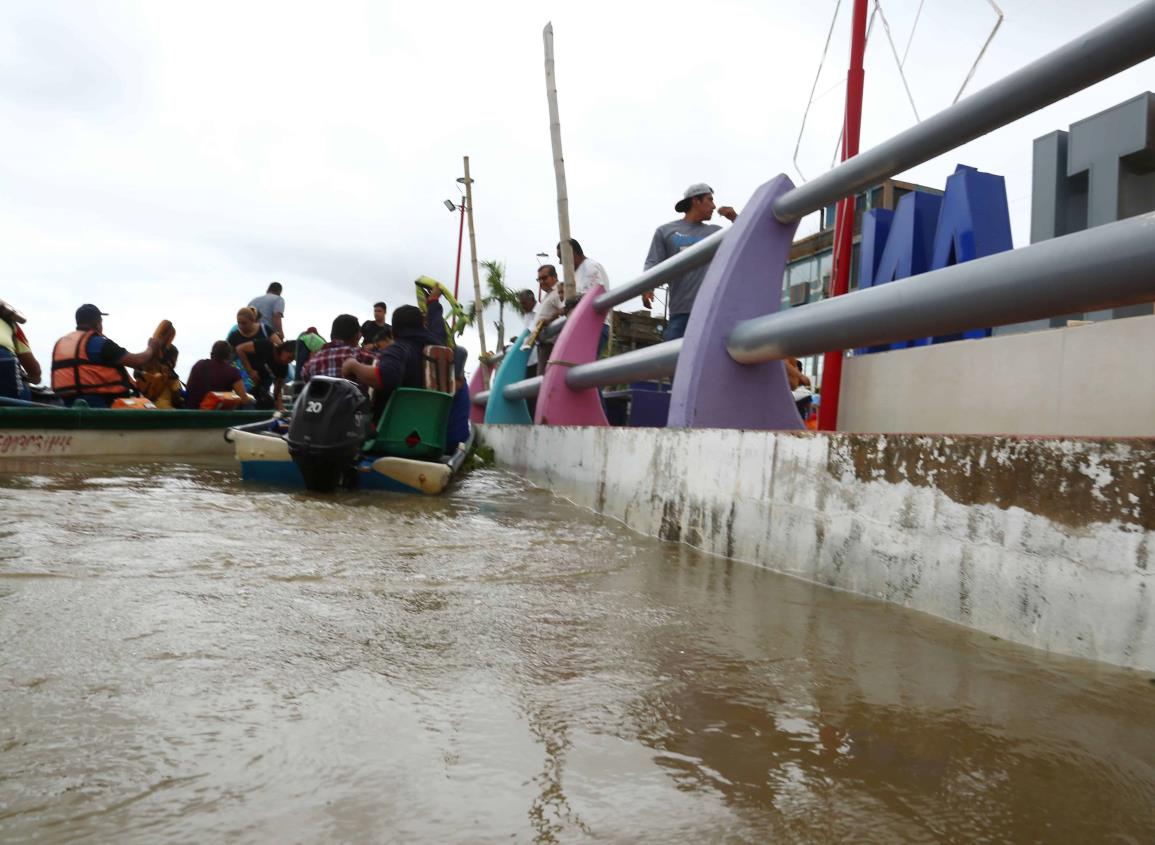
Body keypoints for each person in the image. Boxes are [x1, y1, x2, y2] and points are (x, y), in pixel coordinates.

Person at [644, 182, 738, 340]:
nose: (714, 206)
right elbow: (653, 262)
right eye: (710, 200)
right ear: (696, 201)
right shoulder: (666, 231)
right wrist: (647, 288)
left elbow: (749, 238)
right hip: (680, 313)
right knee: (672, 362)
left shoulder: (717, 233)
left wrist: (735, 218)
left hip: (712, 312)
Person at [342, 291, 447, 421]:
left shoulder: (399, 349)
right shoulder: (438, 344)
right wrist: (433, 302)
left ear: (394, 330)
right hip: (430, 424)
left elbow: (386, 377)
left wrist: (354, 366)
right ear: (422, 325)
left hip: (396, 427)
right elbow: (438, 326)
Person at [51, 304, 158, 407]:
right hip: (101, 404)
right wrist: (151, 348)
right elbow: (138, 361)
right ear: (98, 322)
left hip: (66, 403)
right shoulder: (99, 343)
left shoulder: (60, 343)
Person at [557, 238, 610, 356]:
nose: (560, 262)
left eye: (561, 257)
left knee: (585, 368)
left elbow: (595, 295)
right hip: (582, 326)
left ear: (572, 254)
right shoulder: (575, 274)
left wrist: (570, 303)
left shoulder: (591, 267)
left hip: (594, 326)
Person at [186, 340, 253, 409]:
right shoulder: (233, 372)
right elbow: (244, 400)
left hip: (192, 412)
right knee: (250, 405)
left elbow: (188, 388)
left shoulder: (199, 364)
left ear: (211, 354)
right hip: (216, 416)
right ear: (229, 356)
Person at [0, 300, 40, 401]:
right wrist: (31, 377)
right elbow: (34, 370)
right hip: (3, 361)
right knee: (19, 399)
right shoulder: (8, 320)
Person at [302, 314, 362, 381]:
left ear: (332, 334)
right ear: (356, 336)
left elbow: (304, 375)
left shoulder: (311, 364)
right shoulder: (362, 356)